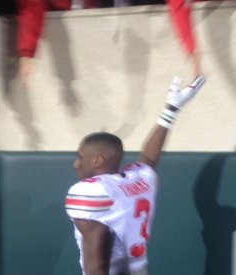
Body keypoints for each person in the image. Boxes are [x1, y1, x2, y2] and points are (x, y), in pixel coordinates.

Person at [65, 75, 206, 275]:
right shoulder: (140, 179)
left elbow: (96, 261)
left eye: (80, 157)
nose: (75, 164)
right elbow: (148, 157)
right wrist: (171, 110)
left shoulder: (91, 191)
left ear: (97, 160)